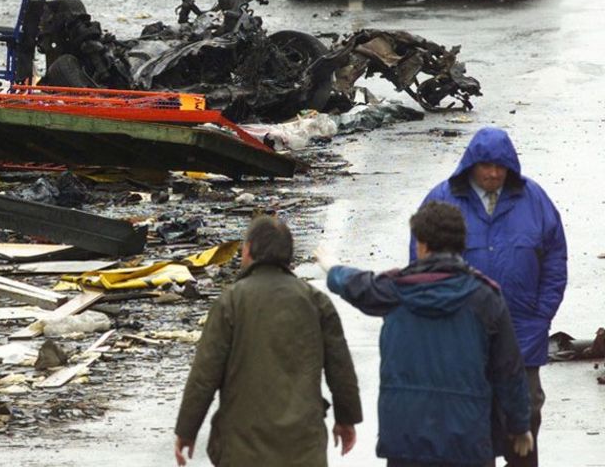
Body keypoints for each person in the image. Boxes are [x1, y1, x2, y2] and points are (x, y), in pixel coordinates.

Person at [319, 201, 533, 466]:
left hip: (406, 437)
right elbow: (509, 371)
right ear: (461, 244)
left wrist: (332, 268)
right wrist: (519, 425)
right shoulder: (485, 297)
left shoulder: (393, 290)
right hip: (467, 438)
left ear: (421, 244)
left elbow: (356, 285)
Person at [415, 127, 566, 466]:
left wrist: (542, 314)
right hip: (461, 337)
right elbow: (421, 266)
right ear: (471, 165)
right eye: (486, 166)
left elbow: (556, 259)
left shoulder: (534, 200)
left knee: (524, 415)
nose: (494, 173)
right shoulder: (442, 200)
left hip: (523, 331)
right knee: (467, 423)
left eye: (501, 166)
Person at [174, 215, 362, 467]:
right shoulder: (316, 302)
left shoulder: (231, 302)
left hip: (242, 446)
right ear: (289, 255)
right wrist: (346, 419)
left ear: (248, 250)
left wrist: (187, 430)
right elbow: (341, 369)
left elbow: (204, 374)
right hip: (302, 445)